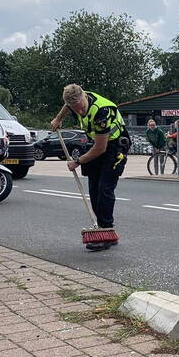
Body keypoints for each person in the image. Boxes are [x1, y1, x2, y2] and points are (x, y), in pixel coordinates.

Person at [51, 85, 127, 250]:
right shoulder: (73, 103)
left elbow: (101, 148)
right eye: (75, 109)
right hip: (97, 145)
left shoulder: (101, 112)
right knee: (93, 188)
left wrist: (77, 161)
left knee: (104, 189)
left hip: (114, 148)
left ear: (84, 96)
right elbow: (67, 106)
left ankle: (106, 231)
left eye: (81, 107)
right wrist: (58, 118)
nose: (79, 111)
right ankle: (101, 227)